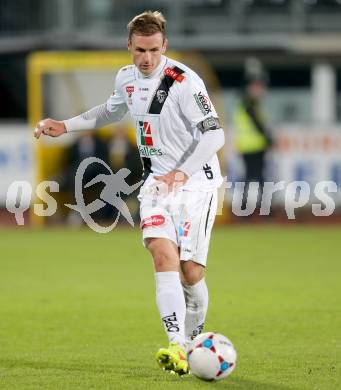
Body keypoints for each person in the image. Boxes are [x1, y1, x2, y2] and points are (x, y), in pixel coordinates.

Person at [34, 11, 225, 376]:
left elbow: (215, 135)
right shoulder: (126, 78)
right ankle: (177, 344)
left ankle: (194, 335)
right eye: (140, 50)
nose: (147, 58)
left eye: (154, 49)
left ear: (164, 46)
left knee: (191, 272)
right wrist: (66, 125)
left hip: (196, 183)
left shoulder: (185, 81)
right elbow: (109, 111)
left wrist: (182, 173)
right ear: (129, 46)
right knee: (161, 253)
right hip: (156, 184)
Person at [234, 58, 272, 210]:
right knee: (257, 178)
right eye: (258, 87)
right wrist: (268, 138)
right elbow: (257, 123)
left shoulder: (245, 102)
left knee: (251, 177)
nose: (261, 90)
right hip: (254, 145)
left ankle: (246, 208)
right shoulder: (249, 103)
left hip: (248, 146)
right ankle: (262, 209)